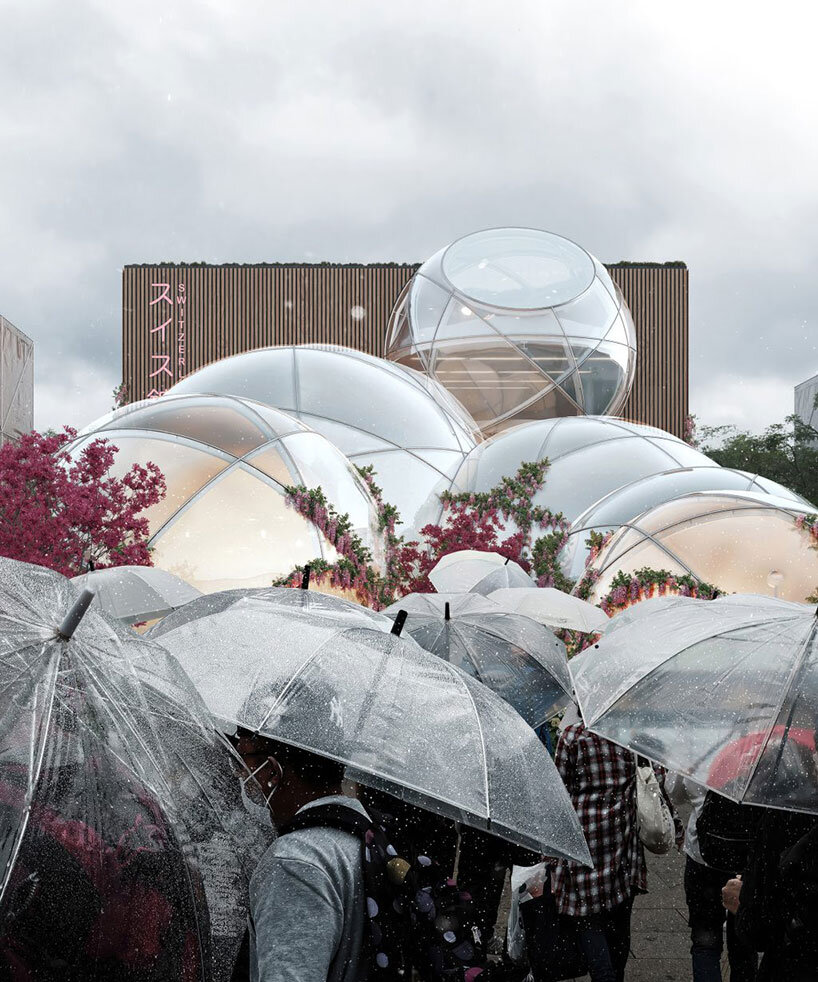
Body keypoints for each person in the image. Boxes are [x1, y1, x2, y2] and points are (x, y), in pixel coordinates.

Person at [550, 707, 680, 982]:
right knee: (619, 914)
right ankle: (615, 973)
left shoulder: (572, 737)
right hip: (622, 841)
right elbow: (658, 784)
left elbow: (559, 794)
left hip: (584, 840)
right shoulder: (632, 738)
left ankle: (604, 974)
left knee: (588, 917)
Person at [230, 727, 367, 982]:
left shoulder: (294, 862)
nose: (240, 774)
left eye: (242, 760)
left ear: (272, 771)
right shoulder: (362, 837)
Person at [666, 775, 758, 982]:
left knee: (705, 940)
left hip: (703, 857)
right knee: (744, 943)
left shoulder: (699, 744)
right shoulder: (765, 747)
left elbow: (675, 792)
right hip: (748, 861)